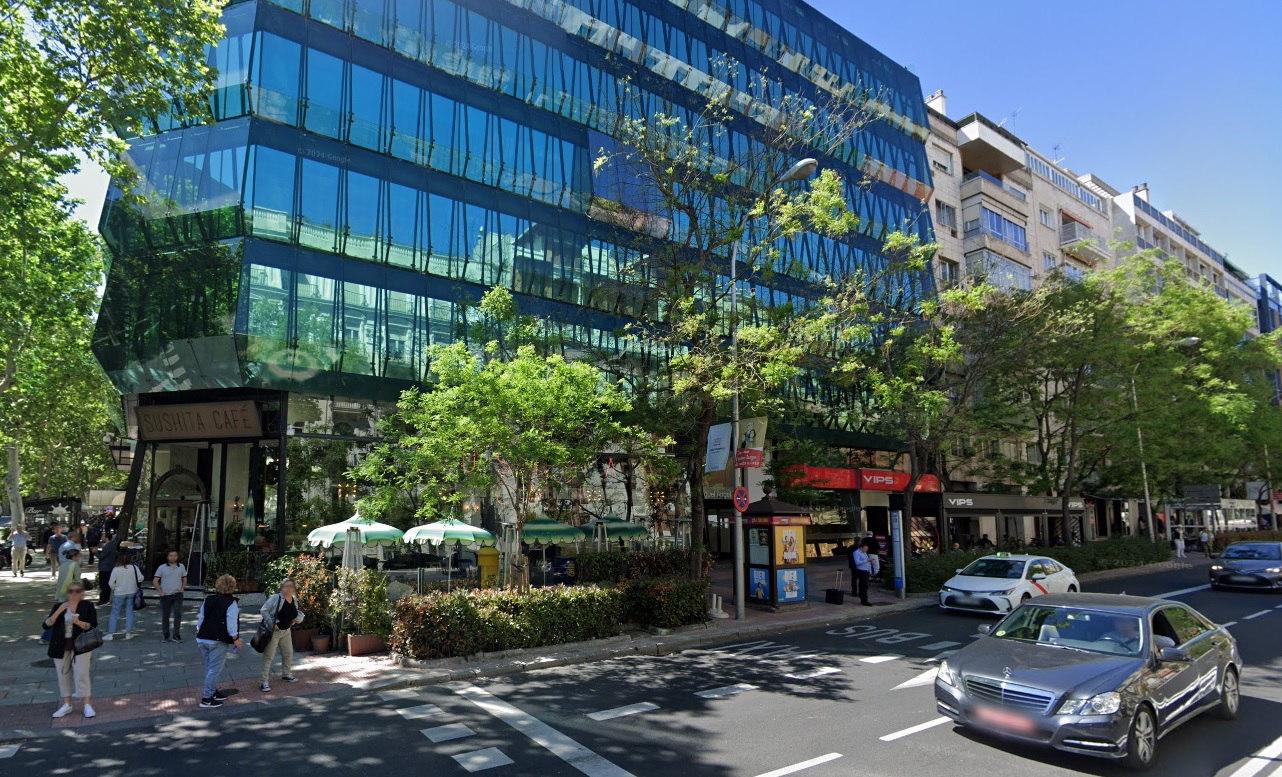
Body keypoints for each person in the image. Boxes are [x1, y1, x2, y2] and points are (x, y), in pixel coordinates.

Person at [43, 581, 98, 718]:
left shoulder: (87, 606)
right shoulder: (59, 606)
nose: (74, 594)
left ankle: (87, 705)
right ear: (67, 593)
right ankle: (67, 704)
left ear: (82, 593)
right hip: (60, 646)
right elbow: (46, 625)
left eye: (77, 591)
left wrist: (78, 622)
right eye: (71, 591)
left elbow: (92, 625)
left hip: (81, 646)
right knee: (63, 677)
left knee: (82, 675)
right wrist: (59, 611)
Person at [196, 574, 243, 709]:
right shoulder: (231, 603)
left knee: (210, 667)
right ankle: (207, 698)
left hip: (203, 637)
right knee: (214, 669)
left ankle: (212, 692)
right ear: (232, 587)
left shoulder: (208, 599)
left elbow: (201, 618)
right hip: (218, 640)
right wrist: (236, 639)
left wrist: (199, 631)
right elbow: (231, 624)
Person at [259, 578, 305, 692]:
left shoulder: (293, 599)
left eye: (291, 586)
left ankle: (286, 674)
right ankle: (264, 681)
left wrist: (294, 620)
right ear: (281, 587)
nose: (288, 589)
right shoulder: (276, 598)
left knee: (288, 654)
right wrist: (272, 624)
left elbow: (293, 612)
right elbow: (263, 610)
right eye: (286, 586)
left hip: (286, 631)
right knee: (269, 656)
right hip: (274, 632)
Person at [104, 552, 143, 641]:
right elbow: (141, 578)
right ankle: (128, 633)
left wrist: (115, 589)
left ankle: (110, 634)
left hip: (119, 592)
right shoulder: (134, 568)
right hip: (132, 591)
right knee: (129, 612)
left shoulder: (116, 569)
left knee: (115, 613)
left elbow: (111, 582)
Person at [153, 550, 187, 643]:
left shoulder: (181, 566)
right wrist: (160, 592)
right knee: (165, 616)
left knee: (178, 614)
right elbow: (155, 580)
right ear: (167, 557)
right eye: (171, 555)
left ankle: (176, 635)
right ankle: (166, 635)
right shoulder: (162, 567)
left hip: (177, 594)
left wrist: (182, 589)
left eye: (175, 555)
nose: (173, 557)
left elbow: (184, 578)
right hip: (165, 595)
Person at [851, 539, 876, 606]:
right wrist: (867, 560)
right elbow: (857, 562)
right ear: (861, 548)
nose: (866, 550)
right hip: (861, 571)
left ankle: (863, 598)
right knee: (863, 585)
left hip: (866, 570)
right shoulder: (856, 553)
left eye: (867, 549)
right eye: (865, 549)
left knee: (865, 585)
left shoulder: (864, 553)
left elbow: (867, 562)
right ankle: (864, 599)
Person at [96, 533, 118, 605]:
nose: (101, 538)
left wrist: (95, 552)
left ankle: (104, 599)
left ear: (107, 538)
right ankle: (105, 598)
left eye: (103, 536)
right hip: (108, 567)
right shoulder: (109, 545)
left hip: (105, 568)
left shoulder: (108, 546)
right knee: (105, 584)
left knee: (104, 584)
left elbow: (102, 556)